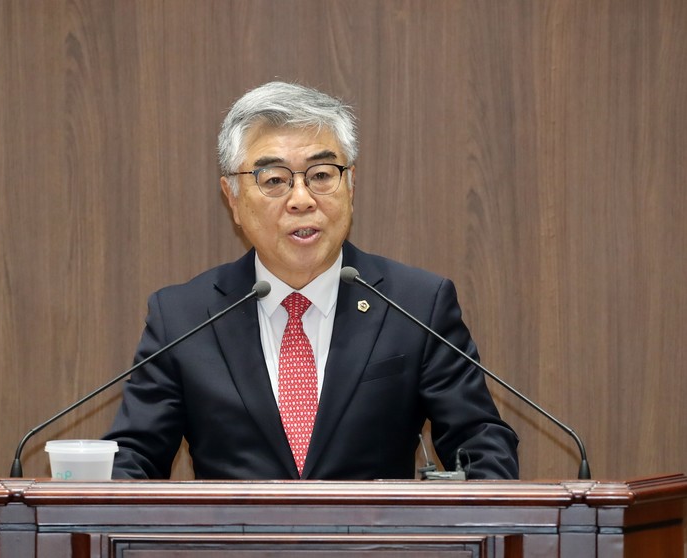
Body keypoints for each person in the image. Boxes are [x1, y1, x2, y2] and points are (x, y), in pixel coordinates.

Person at [103, 81, 519, 480]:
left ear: (350, 185)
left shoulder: (416, 305)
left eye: (321, 175)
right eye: (274, 180)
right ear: (233, 198)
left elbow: (481, 443)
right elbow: (133, 458)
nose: (301, 199)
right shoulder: (183, 319)